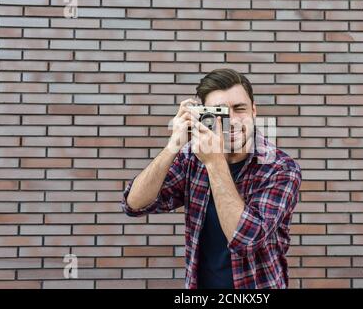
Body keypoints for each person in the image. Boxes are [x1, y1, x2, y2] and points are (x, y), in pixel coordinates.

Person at [122, 68, 302, 289]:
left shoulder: (280, 167)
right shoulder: (191, 159)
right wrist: (173, 146)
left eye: (240, 109)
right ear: (205, 115)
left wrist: (215, 162)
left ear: (254, 110)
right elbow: (134, 204)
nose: (233, 120)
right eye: (220, 112)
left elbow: (246, 240)